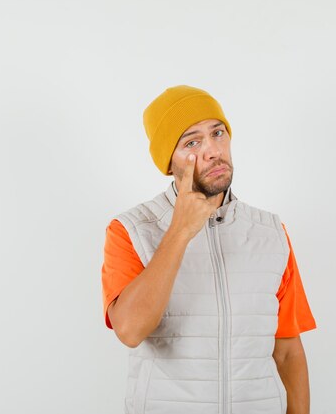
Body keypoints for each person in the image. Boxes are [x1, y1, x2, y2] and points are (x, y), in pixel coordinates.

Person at [101, 85, 316, 414]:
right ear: (169, 163)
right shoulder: (131, 230)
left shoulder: (270, 233)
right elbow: (129, 330)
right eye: (192, 142)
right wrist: (180, 231)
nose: (213, 150)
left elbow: (287, 349)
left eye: (218, 133)